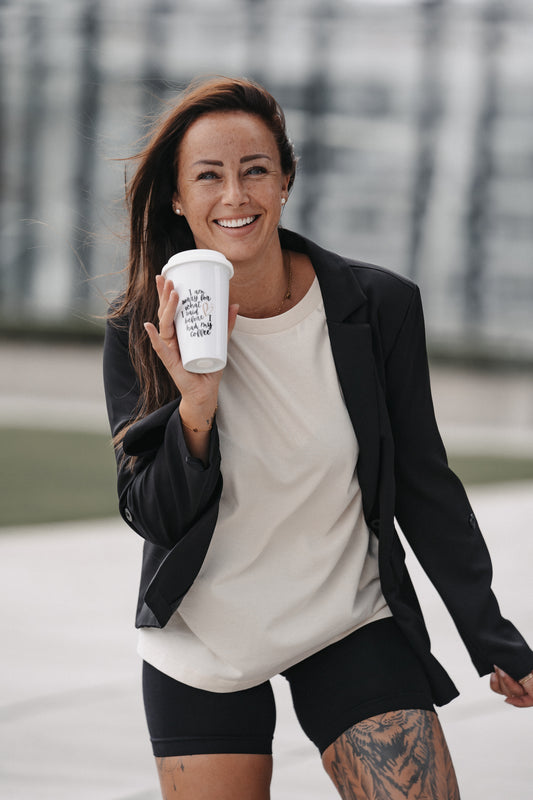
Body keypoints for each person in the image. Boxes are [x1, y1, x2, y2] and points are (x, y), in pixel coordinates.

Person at [103, 76, 533, 800]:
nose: (234, 196)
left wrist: (488, 633)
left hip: (347, 618)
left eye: (255, 171)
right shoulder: (141, 328)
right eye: (208, 176)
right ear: (177, 198)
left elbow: (423, 481)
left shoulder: (377, 306)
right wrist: (196, 407)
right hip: (205, 641)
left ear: (285, 181)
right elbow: (153, 514)